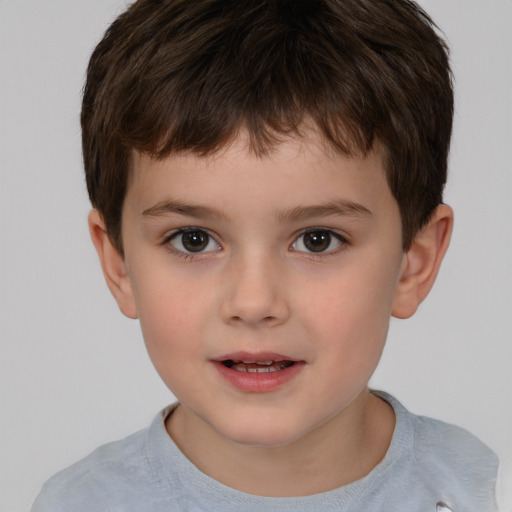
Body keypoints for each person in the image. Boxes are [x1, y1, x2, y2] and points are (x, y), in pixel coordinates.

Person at [31, 0, 499, 510]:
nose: (253, 303)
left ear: (415, 261)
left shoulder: (485, 492)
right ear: (118, 263)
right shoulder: (78, 503)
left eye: (318, 239)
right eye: (193, 239)